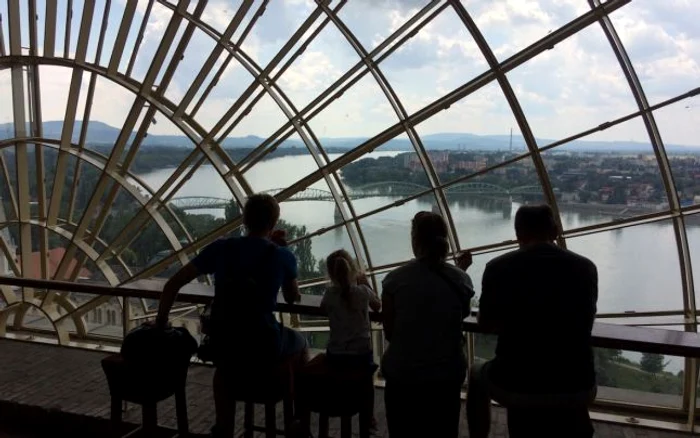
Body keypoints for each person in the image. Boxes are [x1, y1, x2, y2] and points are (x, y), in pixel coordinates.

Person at [154, 193, 308, 438]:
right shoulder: (281, 256)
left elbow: (173, 283)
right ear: (274, 222)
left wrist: (160, 322)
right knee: (301, 343)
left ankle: (223, 426)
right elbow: (292, 297)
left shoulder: (221, 249)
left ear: (245, 220)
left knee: (224, 370)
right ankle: (297, 419)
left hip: (225, 341)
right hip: (263, 344)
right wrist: (281, 254)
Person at [466, 204, 598, 438]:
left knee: (476, 374)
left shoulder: (498, 267)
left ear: (518, 234)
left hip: (517, 379)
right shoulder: (586, 267)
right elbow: (586, 318)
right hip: (577, 380)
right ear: (555, 231)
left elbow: (485, 323)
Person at [381, 211, 474, 438]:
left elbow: (390, 333)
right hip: (445, 376)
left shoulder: (394, 280)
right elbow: (460, 314)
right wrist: (460, 270)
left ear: (415, 240)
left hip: (403, 377)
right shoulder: (461, 279)